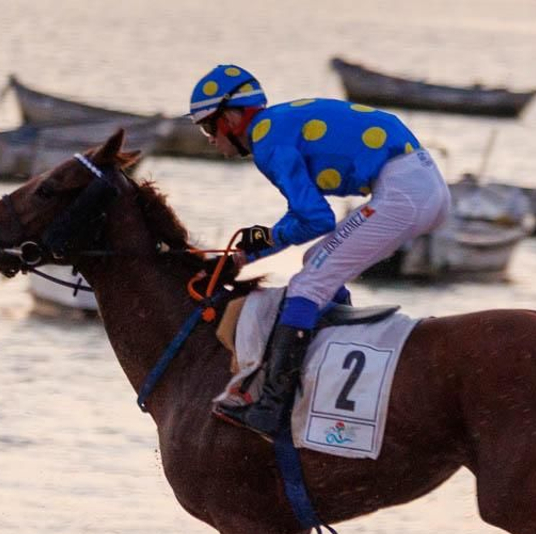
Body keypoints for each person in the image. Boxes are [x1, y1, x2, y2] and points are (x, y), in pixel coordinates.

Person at [187, 64, 451, 438]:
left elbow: (315, 218)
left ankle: (271, 406)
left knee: (307, 285)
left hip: (405, 191)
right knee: (316, 263)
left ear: (231, 118)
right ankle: (331, 354)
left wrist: (264, 239)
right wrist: (250, 254)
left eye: (209, 127)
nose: (210, 139)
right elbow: (306, 218)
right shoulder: (275, 125)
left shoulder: (267, 142)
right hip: (419, 183)